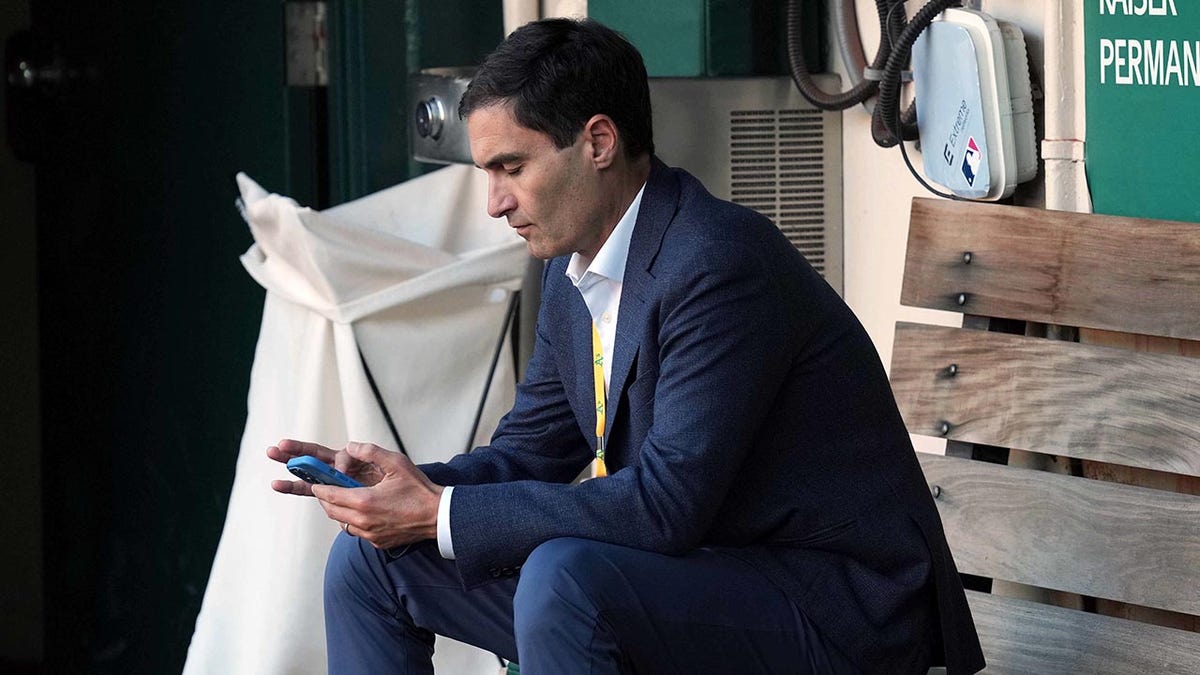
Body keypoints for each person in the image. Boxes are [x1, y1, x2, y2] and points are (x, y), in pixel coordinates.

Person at [268, 17, 985, 675]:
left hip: (834, 608)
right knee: (374, 561)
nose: (494, 202)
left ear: (598, 142)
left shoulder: (715, 263)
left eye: (511, 167)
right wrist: (406, 492)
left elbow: (666, 505)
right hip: (701, 581)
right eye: (487, 174)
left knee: (566, 579)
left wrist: (439, 512)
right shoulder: (572, 271)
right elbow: (527, 454)